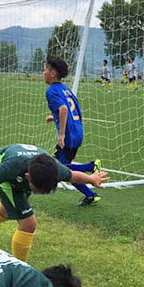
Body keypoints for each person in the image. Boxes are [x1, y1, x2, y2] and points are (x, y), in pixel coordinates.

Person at [0, 143, 108, 262]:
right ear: (27, 177)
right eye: (37, 189)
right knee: (28, 224)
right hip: (7, 174)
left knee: (8, 211)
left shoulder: (55, 169)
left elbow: (73, 175)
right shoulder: (8, 169)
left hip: (24, 171)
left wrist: (91, 179)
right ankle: (19, 269)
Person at [43, 55, 102, 207]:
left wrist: (61, 134)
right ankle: (90, 195)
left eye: (45, 69)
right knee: (65, 170)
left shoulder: (51, 91)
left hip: (68, 136)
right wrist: (54, 117)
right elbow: (71, 108)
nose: (43, 72)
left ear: (53, 73)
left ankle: (90, 166)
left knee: (59, 170)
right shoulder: (66, 89)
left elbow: (63, 109)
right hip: (77, 131)